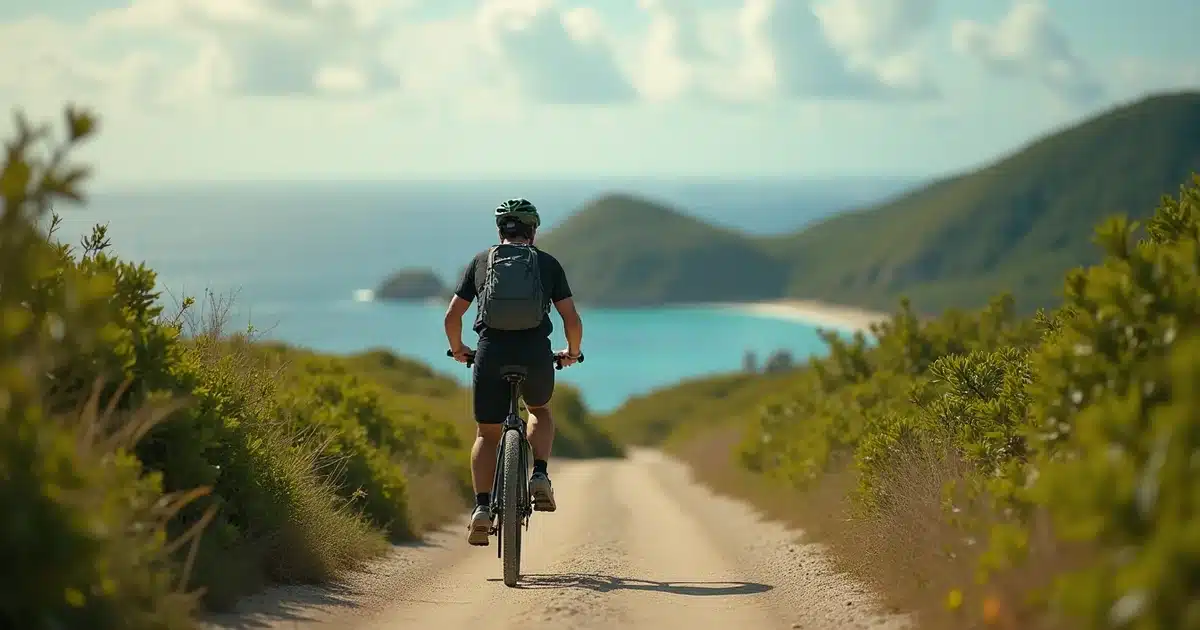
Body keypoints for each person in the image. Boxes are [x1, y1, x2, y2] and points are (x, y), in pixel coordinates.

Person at [443, 197, 584, 546]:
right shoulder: (547, 264)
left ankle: (480, 508)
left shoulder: (480, 262)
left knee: (487, 434)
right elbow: (571, 318)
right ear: (532, 231)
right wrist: (572, 352)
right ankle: (539, 474)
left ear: (499, 230)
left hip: (490, 355)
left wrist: (460, 349)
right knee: (539, 411)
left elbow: (452, 317)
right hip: (535, 355)